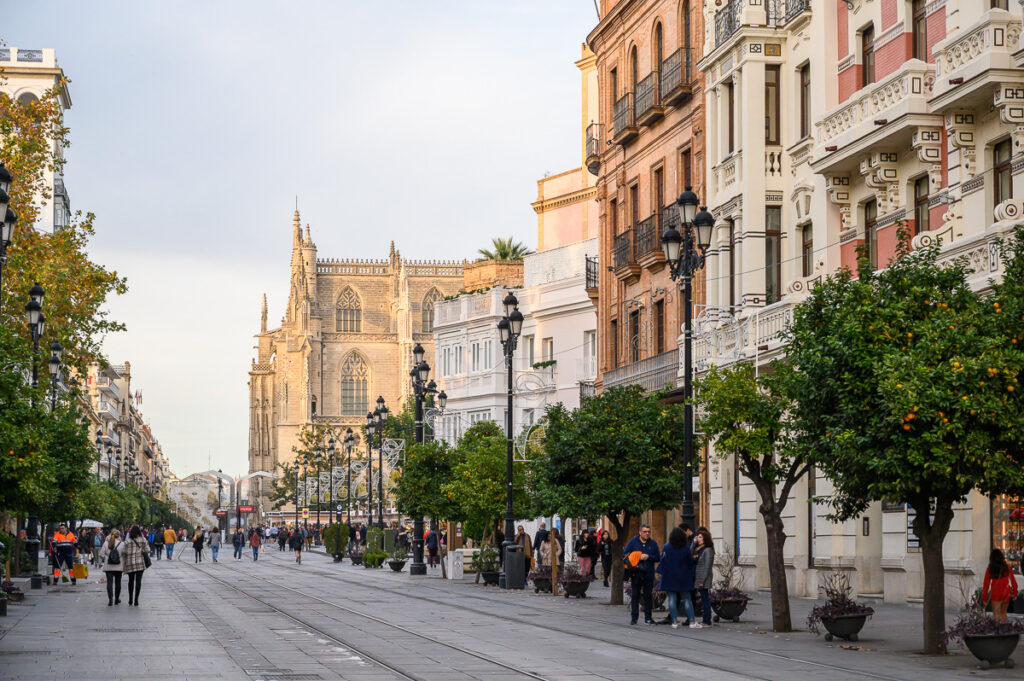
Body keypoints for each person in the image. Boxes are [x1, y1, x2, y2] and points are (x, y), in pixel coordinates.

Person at [657, 527, 697, 628]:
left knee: (672, 599)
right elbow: (690, 562)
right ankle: (692, 621)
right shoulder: (686, 548)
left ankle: (674, 621)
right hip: (684, 577)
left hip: (669, 576)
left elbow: (662, 560)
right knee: (687, 598)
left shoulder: (666, 547)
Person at [623, 524, 660, 625]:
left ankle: (648, 618)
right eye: (645, 531)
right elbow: (625, 555)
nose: (647, 533)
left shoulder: (653, 543)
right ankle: (634, 618)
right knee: (635, 595)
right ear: (640, 532)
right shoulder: (633, 542)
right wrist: (637, 557)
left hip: (648, 573)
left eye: (648, 531)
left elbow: (658, 557)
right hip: (636, 573)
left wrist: (648, 557)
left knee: (648, 596)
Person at [984, 548, 1019, 622]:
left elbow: (986, 584)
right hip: (1006, 593)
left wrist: (985, 597)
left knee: (996, 616)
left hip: (995, 593)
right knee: (1003, 614)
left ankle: (997, 629)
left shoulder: (990, 568)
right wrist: (1015, 593)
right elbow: (1013, 582)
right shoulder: (1007, 567)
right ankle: (1004, 628)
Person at [123, 525, 149, 607]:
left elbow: (123, 552)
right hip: (140, 563)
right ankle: (136, 600)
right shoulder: (143, 540)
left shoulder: (128, 541)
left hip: (130, 563)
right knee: (138, 581)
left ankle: (130, 599)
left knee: (131, 581)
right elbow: (148, 550)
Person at [693, 529, 715, 627]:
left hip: (704, 578)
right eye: (698, 537)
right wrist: (693, 543)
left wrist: (702, 580)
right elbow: (690, 554)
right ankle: (705, 619)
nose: (698, 539)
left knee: (705, 599)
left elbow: (707, 567)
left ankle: (707, 620)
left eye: (700, 537)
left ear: (705, 538)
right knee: (703, 598)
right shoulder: (698, 549)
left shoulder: (708, 550)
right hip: (699, 577)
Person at [98, 529, 125, 606]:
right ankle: (116, 599)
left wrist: (107, 558)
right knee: (118, 583)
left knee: (109, 583)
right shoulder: (122, 544)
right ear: (119, 536)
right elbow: (124, 554)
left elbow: (101, 554)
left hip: (108, 566)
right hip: (118, 566)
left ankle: (110, 600)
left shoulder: (106, 543)